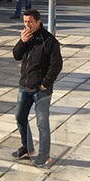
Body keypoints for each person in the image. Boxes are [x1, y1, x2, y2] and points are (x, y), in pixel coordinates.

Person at [12, 9, 63, 168]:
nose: (27, 25)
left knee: (42, 123)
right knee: (20, 117)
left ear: (38, 22)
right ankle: (27, 147)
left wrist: (45, 83)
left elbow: (56, 65)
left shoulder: (49, 41)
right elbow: (16, 55)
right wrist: (22, 42)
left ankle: (44, 155)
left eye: (30, 22)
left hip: (41, 90)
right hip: (25, 86)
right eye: (25, 22)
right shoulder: (27, 37)